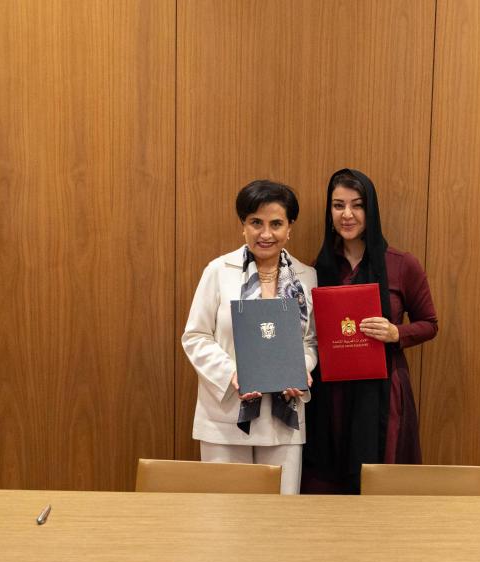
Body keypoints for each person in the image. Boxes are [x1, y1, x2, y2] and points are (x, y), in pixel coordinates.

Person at [302, 168, 438, 493]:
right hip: (330, 393)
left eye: (357, 205)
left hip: (382, 390)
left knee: (379, 481)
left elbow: (430, 324)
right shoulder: (316, 269)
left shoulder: (401, 264)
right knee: (329, 482)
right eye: (338, 205)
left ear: (371, 209)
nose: (347, 214)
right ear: (329, 211)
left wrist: (396, 333)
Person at [182, 180, 318, 495]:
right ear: (243, 225)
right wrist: (232, 374)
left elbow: (310, 341)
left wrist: (301, 368)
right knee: (225, 522)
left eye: (276, 224)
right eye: (256, 223)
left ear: (290, 228)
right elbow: (196, 336)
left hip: (284, 418)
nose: (265, 234)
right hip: (225, 418)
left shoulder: (307, 277)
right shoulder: (218, 271)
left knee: (278, 522)